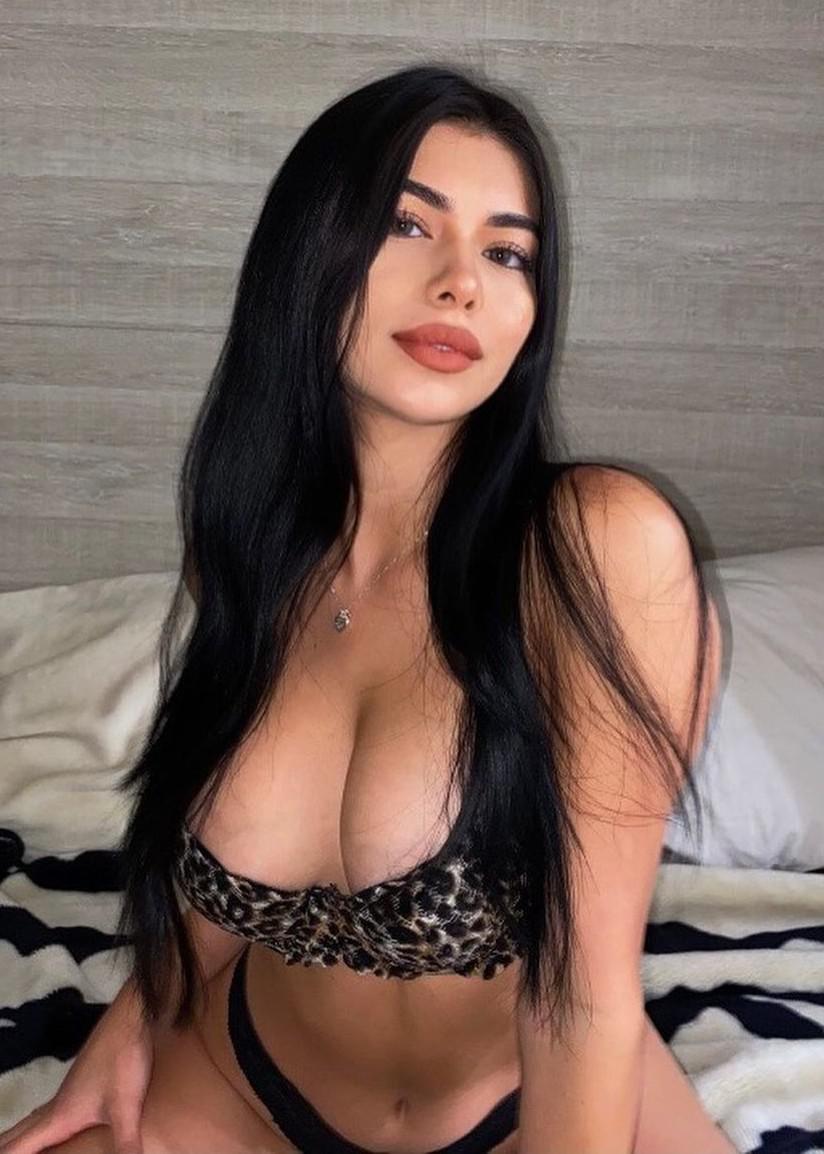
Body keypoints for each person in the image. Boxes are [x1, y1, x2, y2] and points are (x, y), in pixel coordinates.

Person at [0, 63, 738, 1154]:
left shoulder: (595, 547)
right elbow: (224, 874)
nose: (460, 284)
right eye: (406, 223)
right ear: (308, 251)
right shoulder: (247, 547)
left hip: (524, 1108)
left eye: (507, 253)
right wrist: (134, 1019)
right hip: (243, 1076)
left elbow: (582, 992)